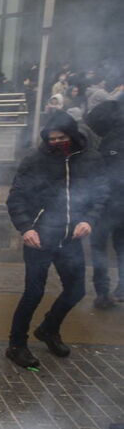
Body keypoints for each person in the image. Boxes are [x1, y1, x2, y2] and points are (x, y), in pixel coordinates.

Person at [5, 112, 108, 368]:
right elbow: (15, 197)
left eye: (62, 138)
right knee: (33, 293)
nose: (57, 142)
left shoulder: (91, 158)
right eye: (52, 139)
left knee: (77, 290)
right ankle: (16, 344)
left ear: (72, 136)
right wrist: (26, 228)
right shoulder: (35, 160)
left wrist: (89, 220)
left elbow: (100, 192)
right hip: (40, 237)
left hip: (71, 237)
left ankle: (49, 328)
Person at [85, 101, 124, 308]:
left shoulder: (112, 142)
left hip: (108, 205)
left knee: (99, 247)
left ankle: (103, 291)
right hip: (116, 204)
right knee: (122, 247)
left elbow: (104, 178)